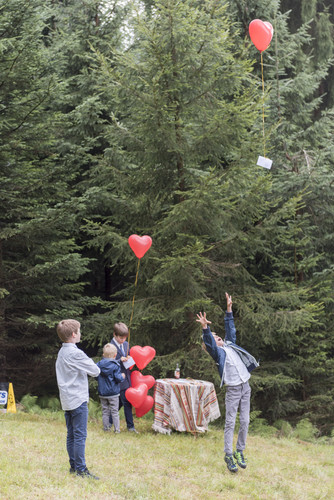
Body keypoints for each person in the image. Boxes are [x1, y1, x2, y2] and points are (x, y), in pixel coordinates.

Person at [196, 293, 259, 473]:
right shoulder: (218, 354)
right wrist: (205, 329)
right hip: (233, 389)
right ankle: (228, 454)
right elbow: (209, 343)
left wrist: (229, 308)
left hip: (245, 386)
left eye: (218, 336)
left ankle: (239, 451)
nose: (219, 338)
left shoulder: (230, 345)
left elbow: (230, 329)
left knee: (245, 421)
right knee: (230, 422)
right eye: (216, 338)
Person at [55, 319, 100, 479]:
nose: (80, 333)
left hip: (67, 399)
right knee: (79, 435)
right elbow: (95, 370)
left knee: (71, 434)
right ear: (74, 335)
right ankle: (81, 470)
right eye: (79, 331)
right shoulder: (75, 353)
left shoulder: (62, 352)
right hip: (78, 399)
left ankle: (73, 467)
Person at [110, 322, 138, 433]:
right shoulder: (110, 346)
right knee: (122, 402)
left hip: (127, 378)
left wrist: (130, 358)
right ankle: (129, 426)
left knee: (124, 402)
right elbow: (108, 363)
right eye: (121, 338)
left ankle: (111, 423)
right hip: (117, 379)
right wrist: (119, 360)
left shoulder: (126, 344)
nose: (123, 340)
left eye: (125, 338)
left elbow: (129, 358)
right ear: (114, 335)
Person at [96, 343, 125, 433]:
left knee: (105, 411)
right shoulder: (115, 366)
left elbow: (96, 375)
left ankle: (106, 429)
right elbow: (117, 378)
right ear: (115, 355)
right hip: (113, 393)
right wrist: (122, 376)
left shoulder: (98, 365)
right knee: (114, 412)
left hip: (103, 393)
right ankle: (117, 430)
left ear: (103, 355)